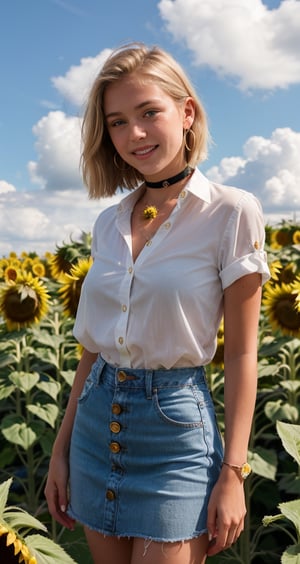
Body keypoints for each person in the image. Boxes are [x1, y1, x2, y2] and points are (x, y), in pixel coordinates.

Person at [45, 42, 270, 564]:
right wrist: (60, 450)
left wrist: (233, 474)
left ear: (186, 112)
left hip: (174, 436)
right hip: (95, 425)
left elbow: (241, 354)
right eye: (118, 122)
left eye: (149, 113)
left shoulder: (231, 213)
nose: (135, 134)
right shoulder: (108, 222)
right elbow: (93, 350)